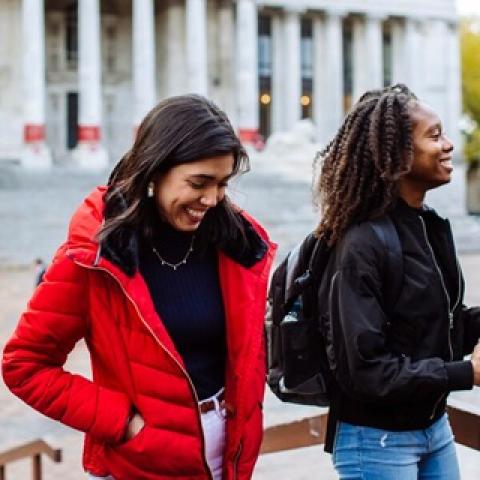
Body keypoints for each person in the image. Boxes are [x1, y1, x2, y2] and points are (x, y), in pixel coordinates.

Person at [2, 95, 276, 480]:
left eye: (223, 184)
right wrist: (123, 422)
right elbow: (23, 366)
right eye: (199, 183)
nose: (213, 199)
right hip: (138, 465)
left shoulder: (236, 247)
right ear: (155, 170)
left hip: (227, 462)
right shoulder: (94, 256)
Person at [312, 84, 480, 479]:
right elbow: (365, 370)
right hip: (375, 440)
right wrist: (465, 373)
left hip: (433, 427)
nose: (449, 145)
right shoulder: (360, 243)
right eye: (435, 136)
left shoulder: (430, 226)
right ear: (398, 155)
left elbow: (443, 323)